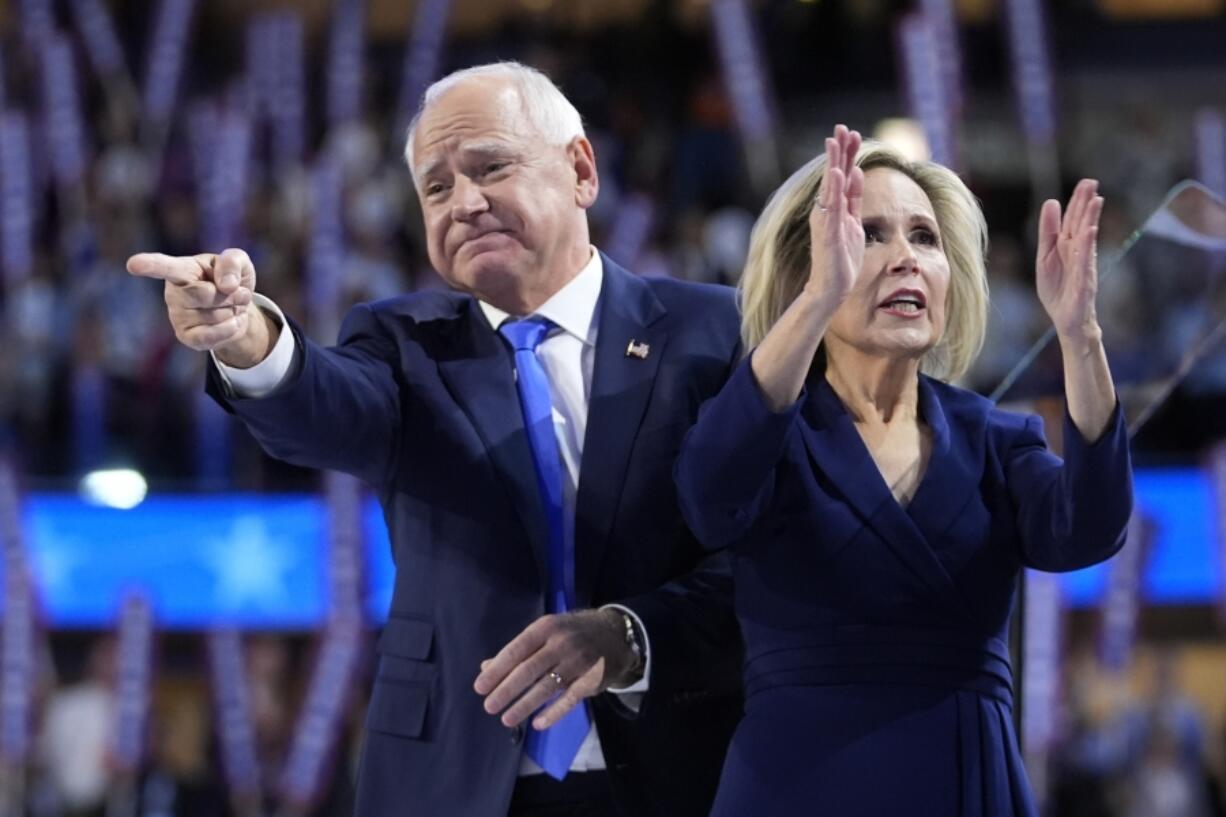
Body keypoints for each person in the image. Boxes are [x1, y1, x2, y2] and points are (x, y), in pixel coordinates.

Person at [127, 63, 743, 817]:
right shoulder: (402, 344)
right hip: (453, 783)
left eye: (490, 167)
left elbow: (763, 560)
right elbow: (324, 401)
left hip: (682, 772)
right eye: (438, 187)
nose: (466, 203)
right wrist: (248, 336)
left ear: (581, 169)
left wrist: (629, 635)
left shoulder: (715, 333)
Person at [675, 125, 1134, 816]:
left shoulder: (996, 438)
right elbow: (709, 498)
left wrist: (1080, 335)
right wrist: (815, 302)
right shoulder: (767, 427)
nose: (905, 259)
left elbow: (1090, 530)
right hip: (795, 782)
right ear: (812, 269)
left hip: (964, 779)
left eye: (925, 238)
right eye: (872, 234)